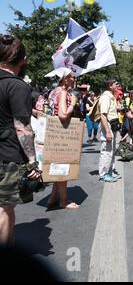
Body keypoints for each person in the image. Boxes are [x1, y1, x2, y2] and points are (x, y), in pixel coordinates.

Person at [0, 35, 41, 247]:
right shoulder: (17, 87)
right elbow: (22, 128)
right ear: (23, 59)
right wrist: (33, 162)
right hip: (6, 157)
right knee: (5, 210)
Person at [46, 68, 81, 210]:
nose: (74, 79)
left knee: (58, 165)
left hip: (54, 134)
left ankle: (53, 197)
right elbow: (63, 115)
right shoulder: (64, 92)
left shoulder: (55, 91)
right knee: (63, 166)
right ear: (65, 79)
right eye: (72, 77)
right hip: (62, 134)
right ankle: (64, 201)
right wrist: (72, 103)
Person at [98, 79, 121, 183]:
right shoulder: (106, 97)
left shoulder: (111, 97)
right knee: (106, 151)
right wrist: (107, 131)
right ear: (110, 86)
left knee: (111, 150)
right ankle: (104, 174)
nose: (118, 86)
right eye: (116, 84)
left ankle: (110, 171)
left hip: (113, 127)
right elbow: (103, 115)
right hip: (107, 127)